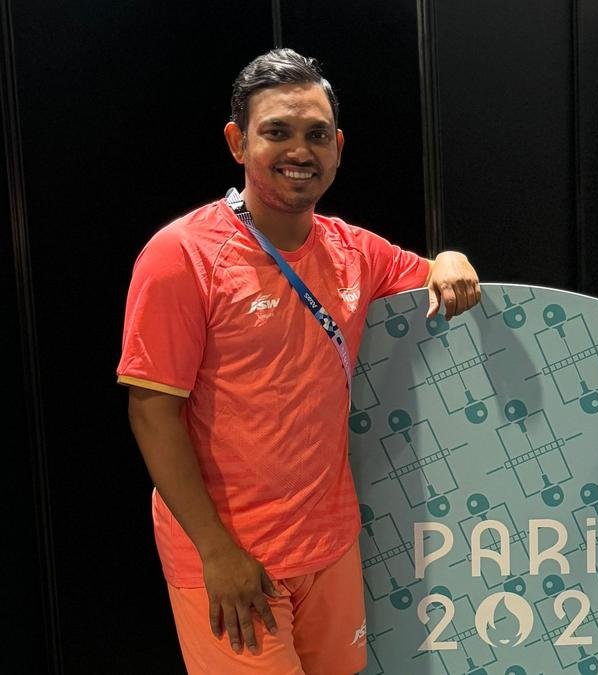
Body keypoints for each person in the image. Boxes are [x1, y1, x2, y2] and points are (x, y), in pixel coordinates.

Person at [117, 49, 481, 674]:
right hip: (234, 561)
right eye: (277, 132)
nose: (299, 150)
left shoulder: (355, 251)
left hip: (330, 546)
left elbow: (433, 275)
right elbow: (152, 412)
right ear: (238, 142)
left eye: (316, 135)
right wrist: (216, 552)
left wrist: (450, 257)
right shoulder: (181, 255)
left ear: (337, 148)